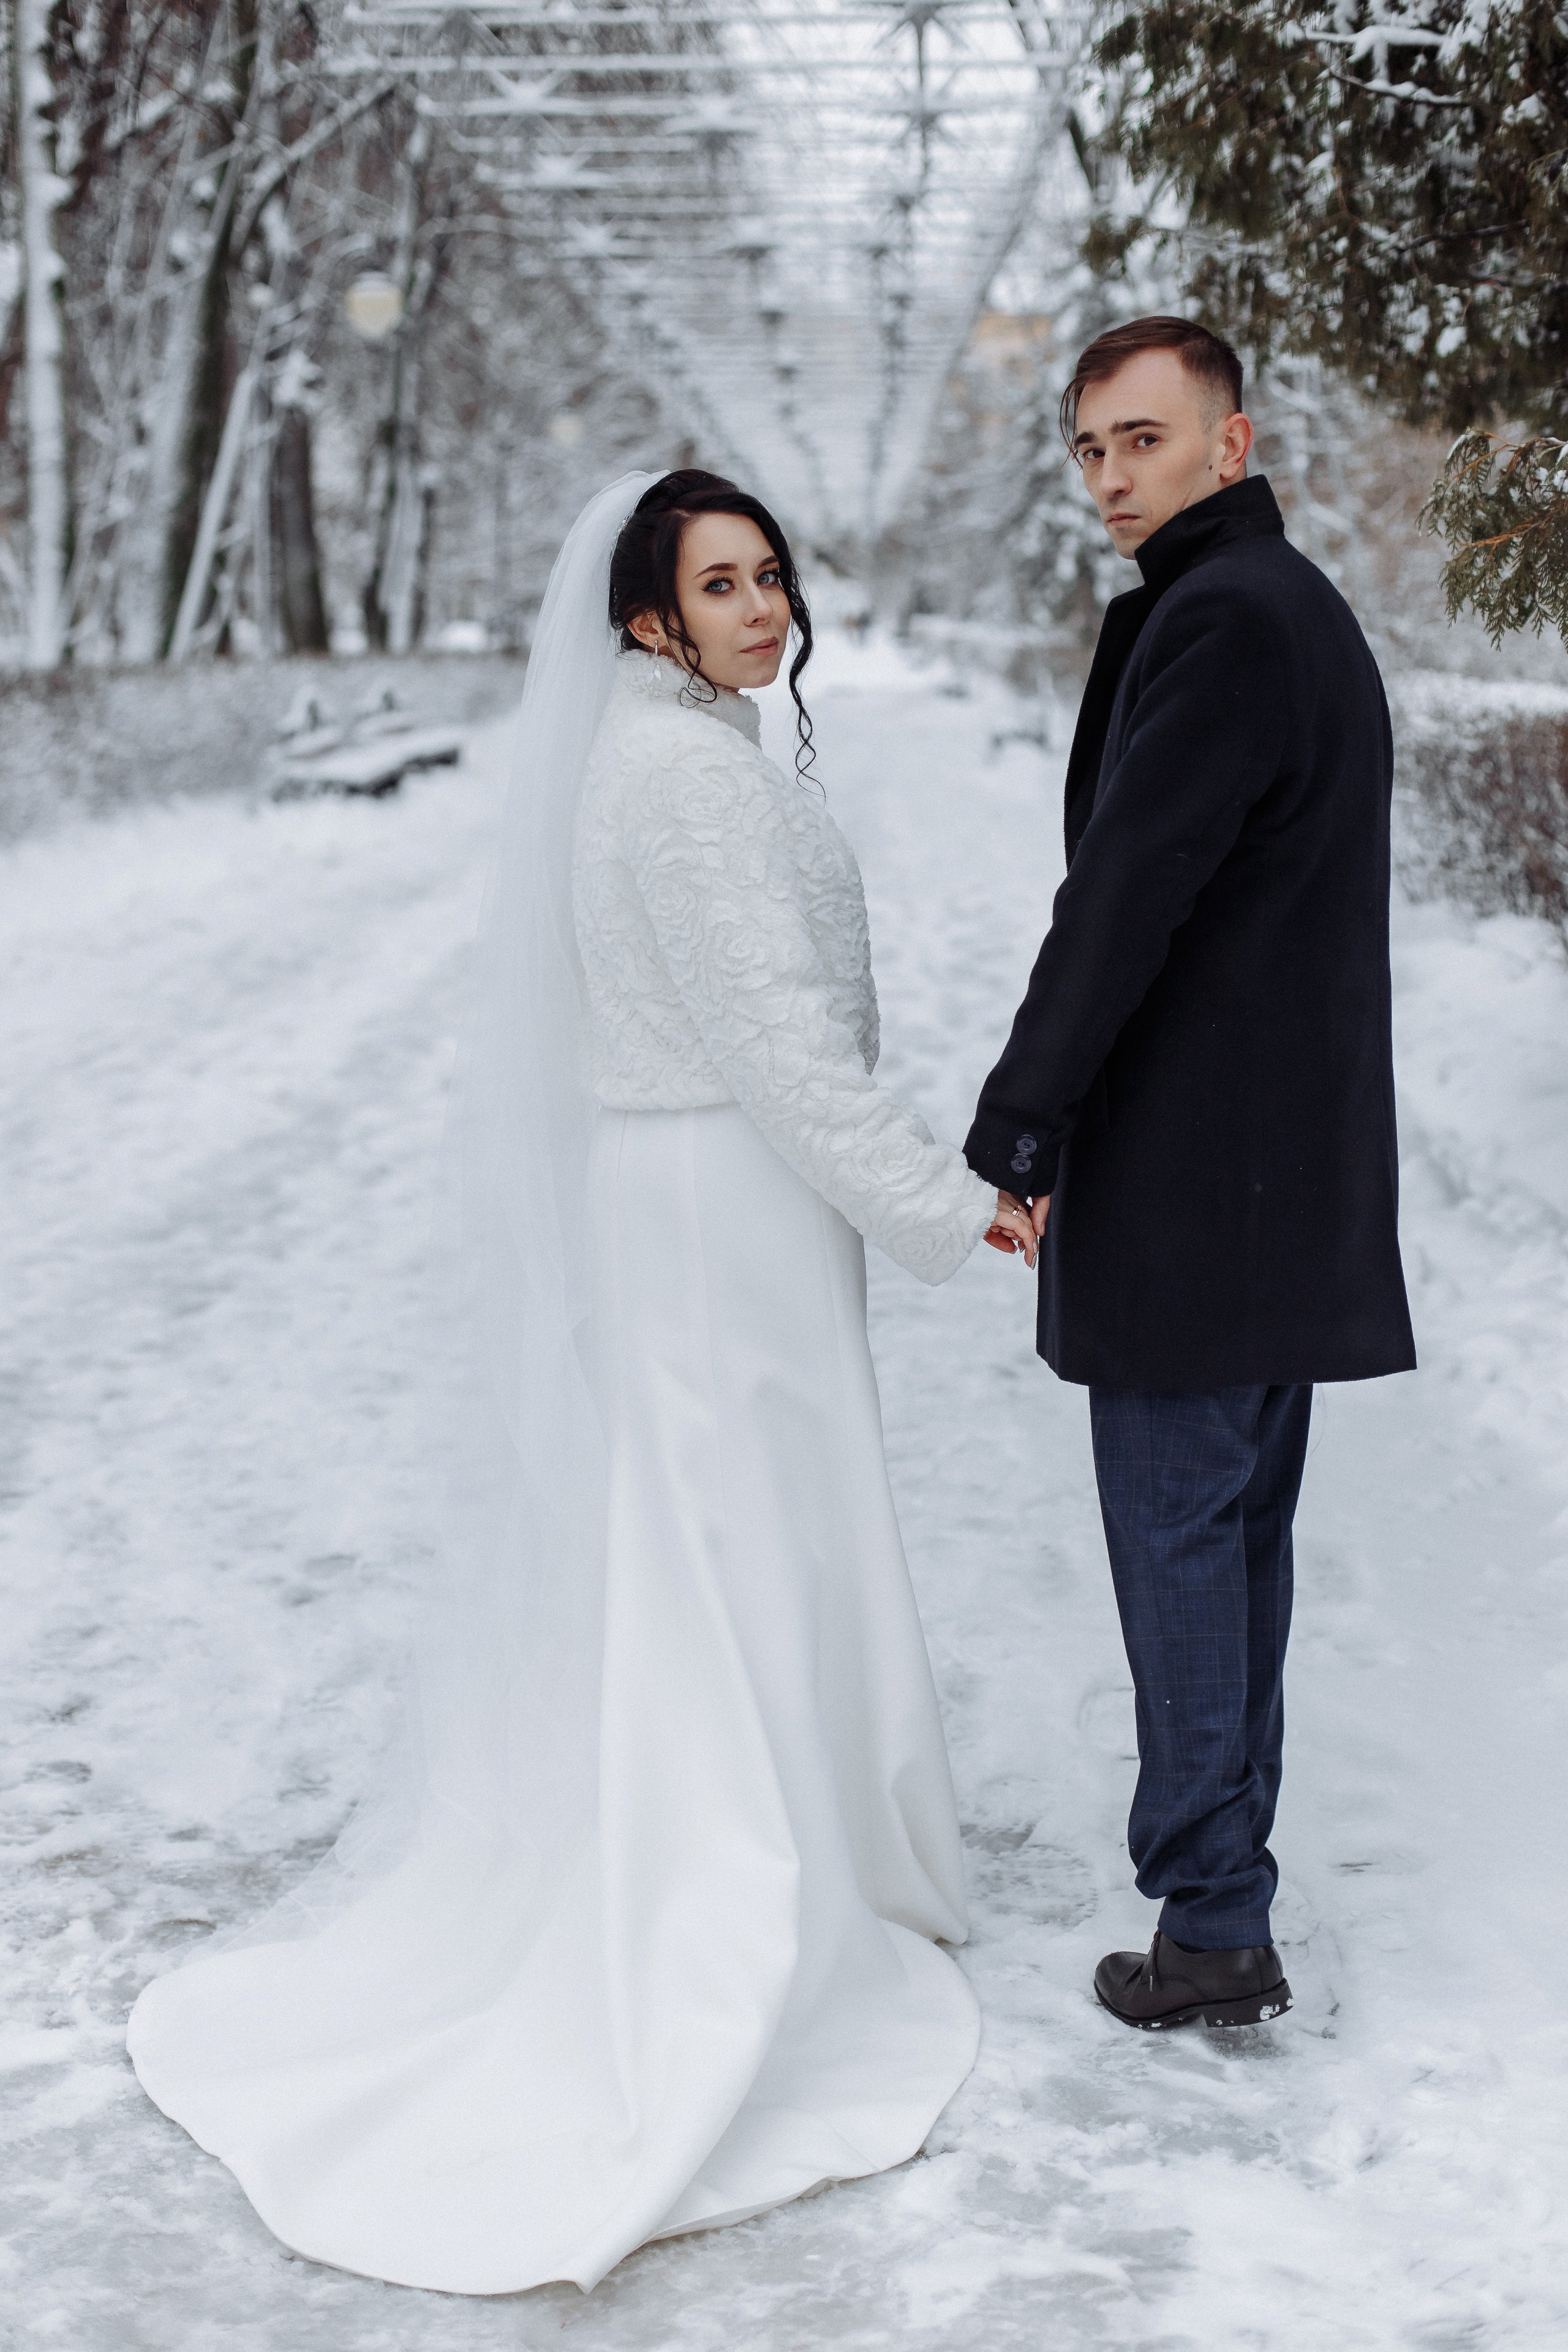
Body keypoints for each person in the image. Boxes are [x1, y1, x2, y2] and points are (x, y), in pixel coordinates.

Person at [127, 469, 1036, 2294]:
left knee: (745, 1525)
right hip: (717, 1198)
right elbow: (775, 1047)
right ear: (647, 620)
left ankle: (813, 1835)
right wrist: (953, 1207)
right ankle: (744, 1895)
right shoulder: (685, 780)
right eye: (721, 583)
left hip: (723, 1197)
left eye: (771, 573)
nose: (762, 606)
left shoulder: (694, 748)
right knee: (730, 1533)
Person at [963, 318, 1417, 2031]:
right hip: (1267, 1185)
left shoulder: (1223, 621)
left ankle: (1216, 1917)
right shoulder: (1280, 608)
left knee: (1183, 1549)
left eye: (1144, 441)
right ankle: (1224, 1894)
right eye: (1089, 450)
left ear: (1234, 442)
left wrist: (1022, 1124)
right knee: (1231, 1547)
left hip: (1191, 1182)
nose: (1111, 478)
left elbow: (1125, 900)